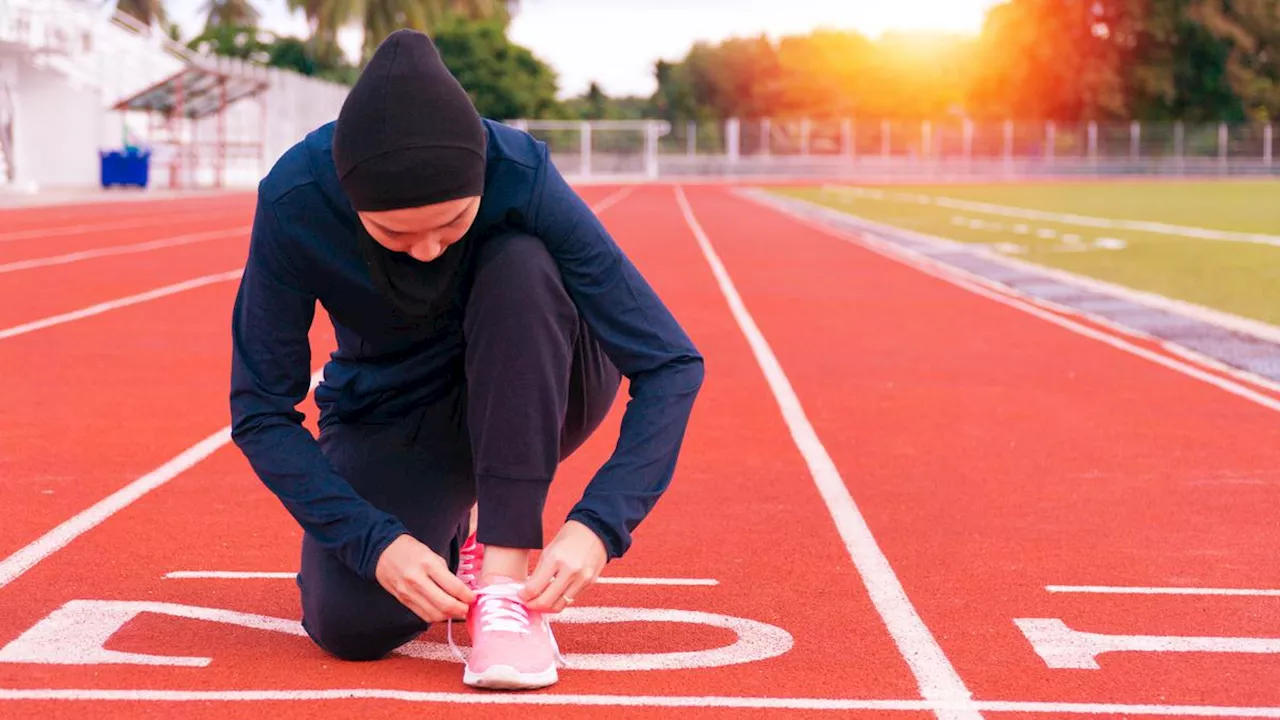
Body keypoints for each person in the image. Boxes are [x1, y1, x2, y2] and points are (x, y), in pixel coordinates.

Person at [228, 29, 704, 691]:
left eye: (451, 224)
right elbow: (260, 412)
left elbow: (670, 361)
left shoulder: (521, 170)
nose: (426, 251)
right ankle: (456, 527)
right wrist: (376, 541)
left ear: (481, 175)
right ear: (346, 194)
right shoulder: (293, 201)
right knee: (350, 626)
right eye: (394, 235)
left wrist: (599, 525)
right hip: (396, 409)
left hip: (540, 370)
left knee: (521, 263)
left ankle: (506, 579)